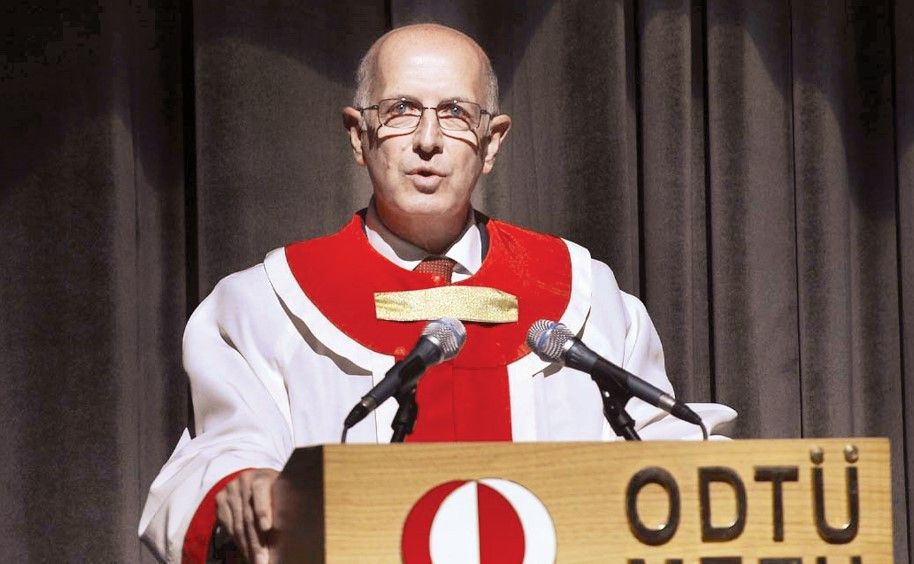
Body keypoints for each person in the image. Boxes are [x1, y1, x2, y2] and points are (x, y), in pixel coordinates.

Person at [139, 23, 736, 564]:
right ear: (359, 135)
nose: (428, 140)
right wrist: (242, 487)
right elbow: (225, 454)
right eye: (401, 110)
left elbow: (662, 441)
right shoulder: (264, 306)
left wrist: (716, 470)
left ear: (492, 142)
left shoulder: (584, 295)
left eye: (454, 112)